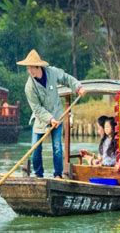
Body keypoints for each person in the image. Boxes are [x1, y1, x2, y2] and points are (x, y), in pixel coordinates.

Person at [17, 49, 86, 179]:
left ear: (38, 67)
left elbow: (66, 78)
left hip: (57, 115)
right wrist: (49, 119)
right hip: (40, 119)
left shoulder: (51, 72)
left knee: (57, 148)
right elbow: (36, 108)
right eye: (28, 68)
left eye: (32, 68)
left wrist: (78, 87)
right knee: (35, 149)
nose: (30, 71)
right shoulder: (29, 87)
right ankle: (38, 174)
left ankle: (58, 174)